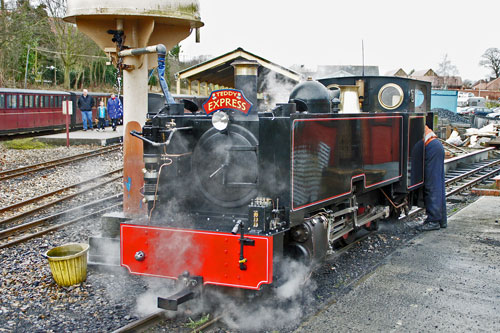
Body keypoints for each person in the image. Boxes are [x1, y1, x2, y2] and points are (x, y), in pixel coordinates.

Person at [418, 125, 447, 231]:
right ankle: (441, 220)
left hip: (431, 147)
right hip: (433, 146)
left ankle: (434, 221)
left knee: (432, 185)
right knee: (438, 184)